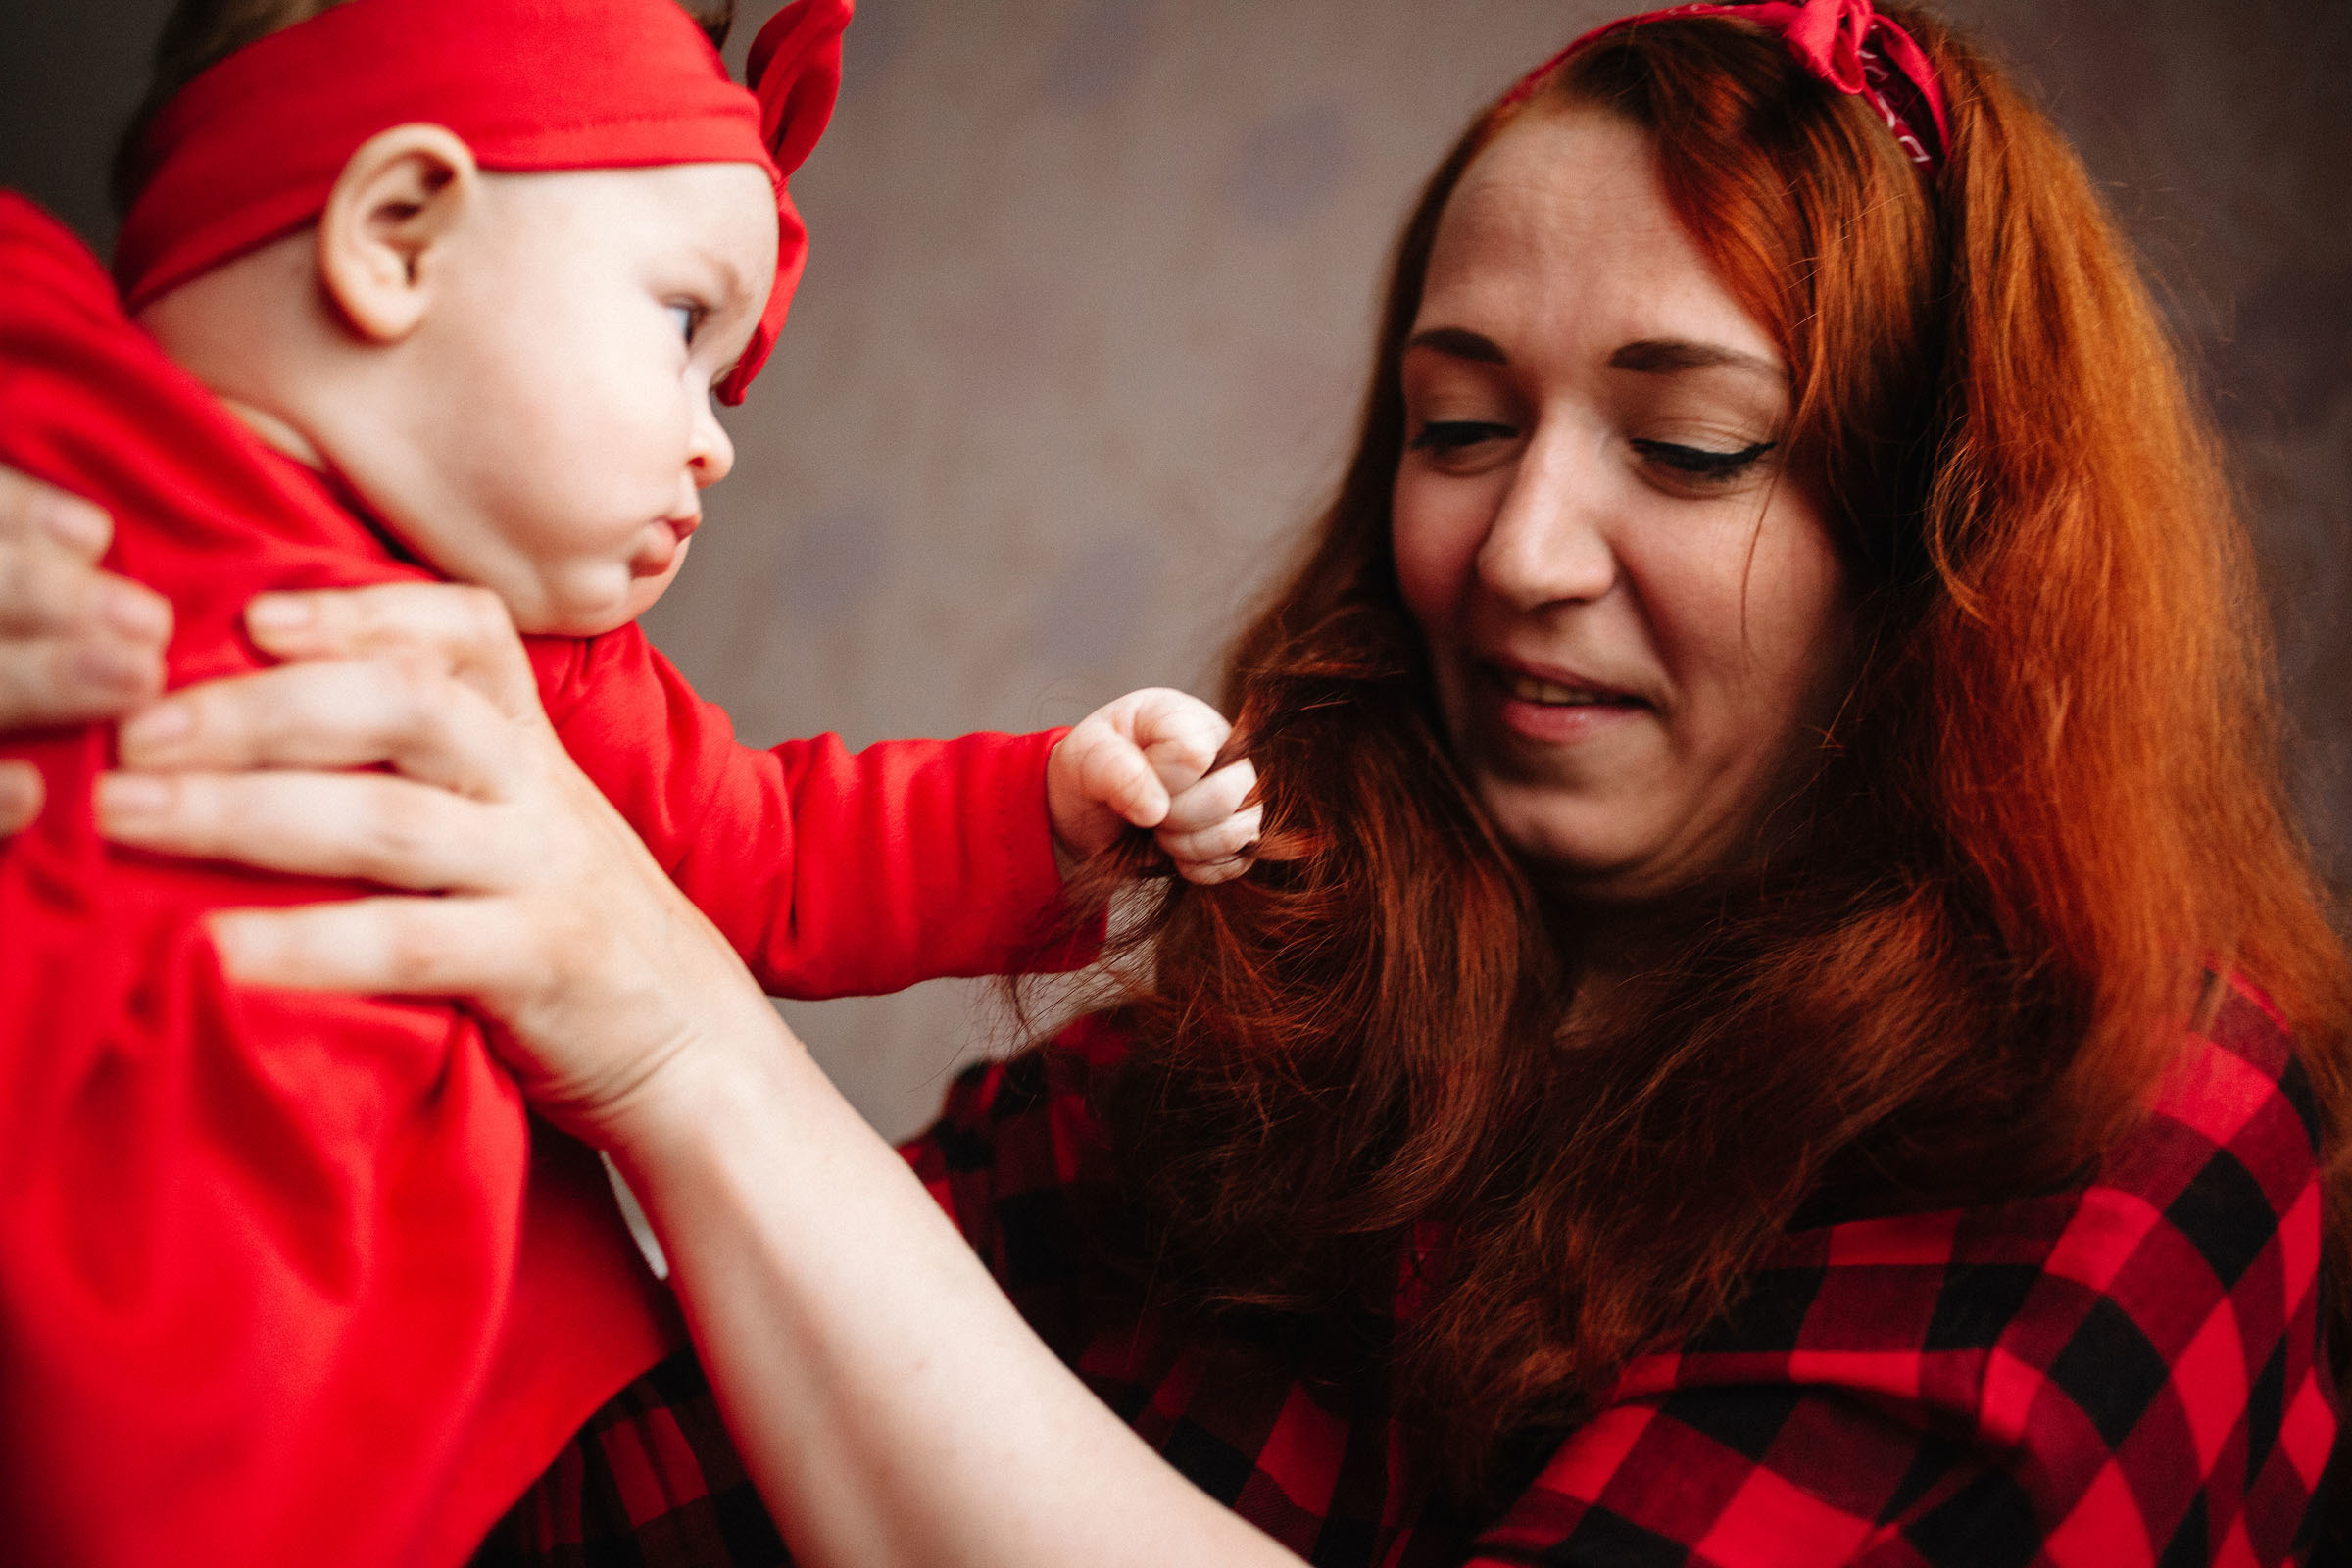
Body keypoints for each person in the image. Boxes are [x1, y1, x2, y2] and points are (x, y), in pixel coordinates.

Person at [8, 0, 2347, 1560]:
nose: (1519, 550)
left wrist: (690, 1043)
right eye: (1451, 424)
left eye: (1692, 442)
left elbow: (777, 884)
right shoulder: (1222, 1066)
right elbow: (624, 1480)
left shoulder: (2144, 1127)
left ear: (1946, 545)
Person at [0, 0, 1257, 1561]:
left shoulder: (544, 682)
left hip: (486, 1441)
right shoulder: (37, 418)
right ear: (395, 236)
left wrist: (1043, 811)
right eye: (681, 331)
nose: (714, 448)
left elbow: (785, 853)